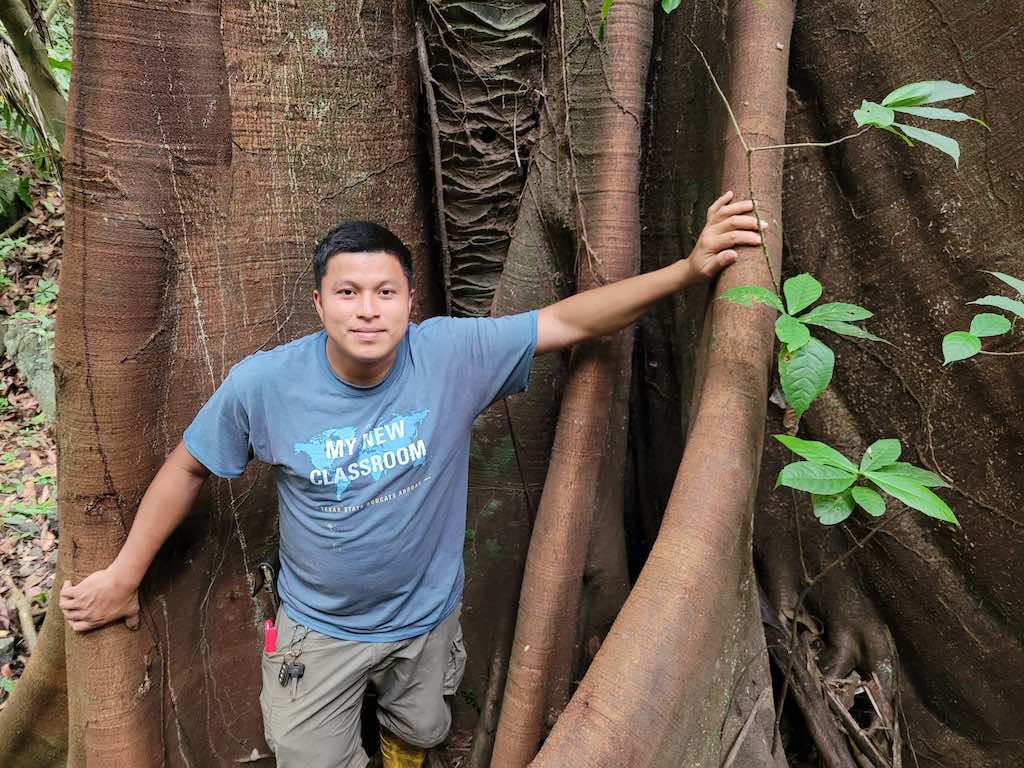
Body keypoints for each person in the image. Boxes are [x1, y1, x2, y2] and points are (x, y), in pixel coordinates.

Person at [58, 191, 764, 768]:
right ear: (319, 304)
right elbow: (189, 464)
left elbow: (566, 321)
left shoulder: (449, 355)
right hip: (318, 629)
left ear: (408, 301)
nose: (368, 308)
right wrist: (123, 575)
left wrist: (689, 270)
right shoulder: (264, 386)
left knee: (420, 729)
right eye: (349, 292)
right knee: (304, 754)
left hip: (428, 616)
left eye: (385, 291)